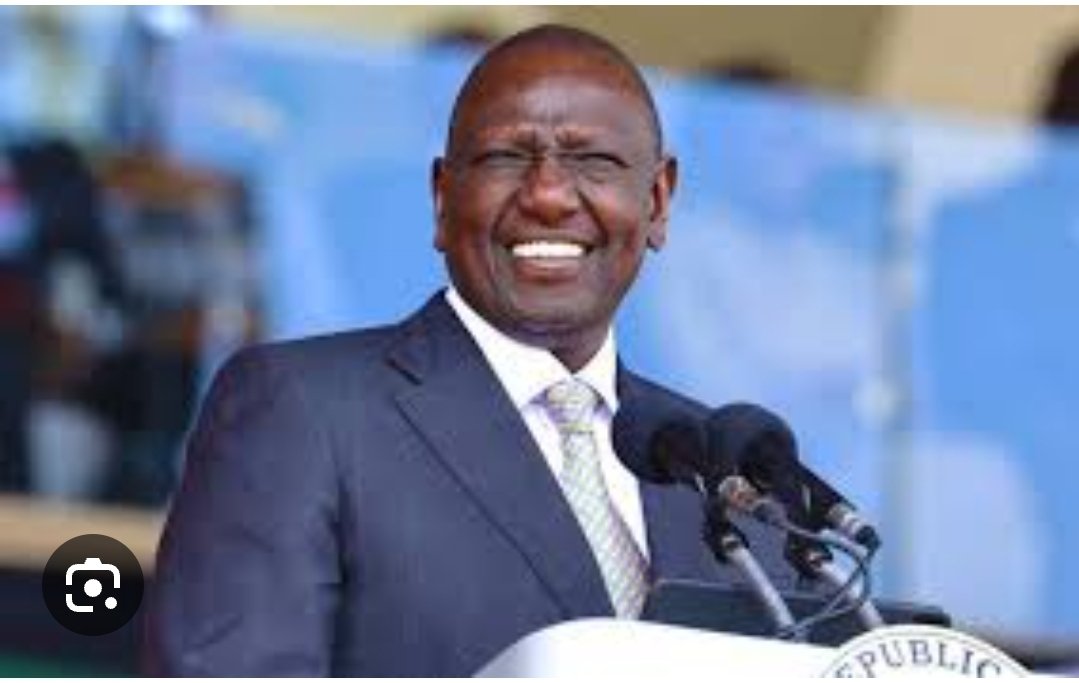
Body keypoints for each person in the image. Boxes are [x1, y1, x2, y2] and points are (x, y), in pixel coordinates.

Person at [143, 24, 800, 677]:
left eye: (593, 160)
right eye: (504, 158)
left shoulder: (729, 471)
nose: (547, 194)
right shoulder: (301, 411)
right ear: (441, 198)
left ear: (656, 201)